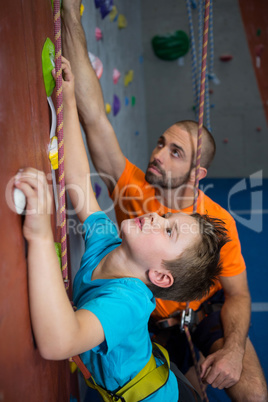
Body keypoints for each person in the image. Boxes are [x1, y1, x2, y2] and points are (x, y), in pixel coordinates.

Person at [61, 2, 268, 401]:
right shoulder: (132, 186)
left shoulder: (217, 223)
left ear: (197, 175)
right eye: (160, 143)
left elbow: (238, 294)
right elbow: (93, 117)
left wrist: (233, 349)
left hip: (200, 317)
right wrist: (70, 14)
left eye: (175, 152)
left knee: (253, 392)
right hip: (143, 320)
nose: (157, 154)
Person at [13, 58, 228, 402]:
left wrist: (39, 235)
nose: (157, 217)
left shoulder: (126, 302)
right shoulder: (109, 242)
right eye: (167, 217)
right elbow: (81, 181)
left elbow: (57, 342)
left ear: (159, 276)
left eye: (168, 230)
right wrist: (67, 101)